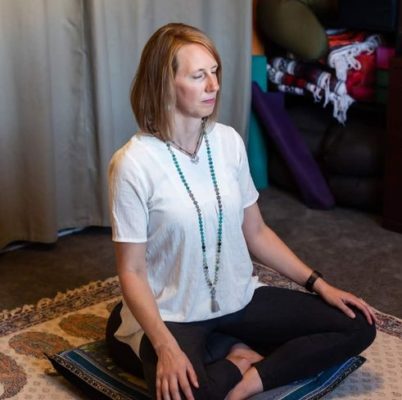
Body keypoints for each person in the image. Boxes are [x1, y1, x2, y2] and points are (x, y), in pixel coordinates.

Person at [106, 22, 376, 400]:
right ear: (164, 84)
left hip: (239, 298)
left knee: (357, 326)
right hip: (175, 312)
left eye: (214, 72)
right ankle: (235, 359)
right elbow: (131, 270)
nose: (214, 85)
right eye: (199, 76)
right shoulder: (133, 163)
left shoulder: (228, 142)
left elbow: (257, 232)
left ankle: (252, 376)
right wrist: (166, 347)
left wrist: (320, 284)